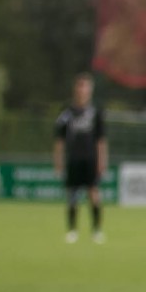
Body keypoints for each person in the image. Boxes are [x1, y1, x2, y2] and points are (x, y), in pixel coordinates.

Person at [53, 72, 107, 244]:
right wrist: (58, 162)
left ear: (90, 90)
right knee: (72, 196)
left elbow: (101, 140)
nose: (83, 90)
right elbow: (59, 140)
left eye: (86, 87)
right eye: (80, 86)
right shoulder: (66, 112)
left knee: (94, 194)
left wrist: (102, 161)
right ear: (75, 89)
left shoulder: (96, 112)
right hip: (73, 159)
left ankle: (96, 231)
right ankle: (72, 231)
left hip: (90, 159)